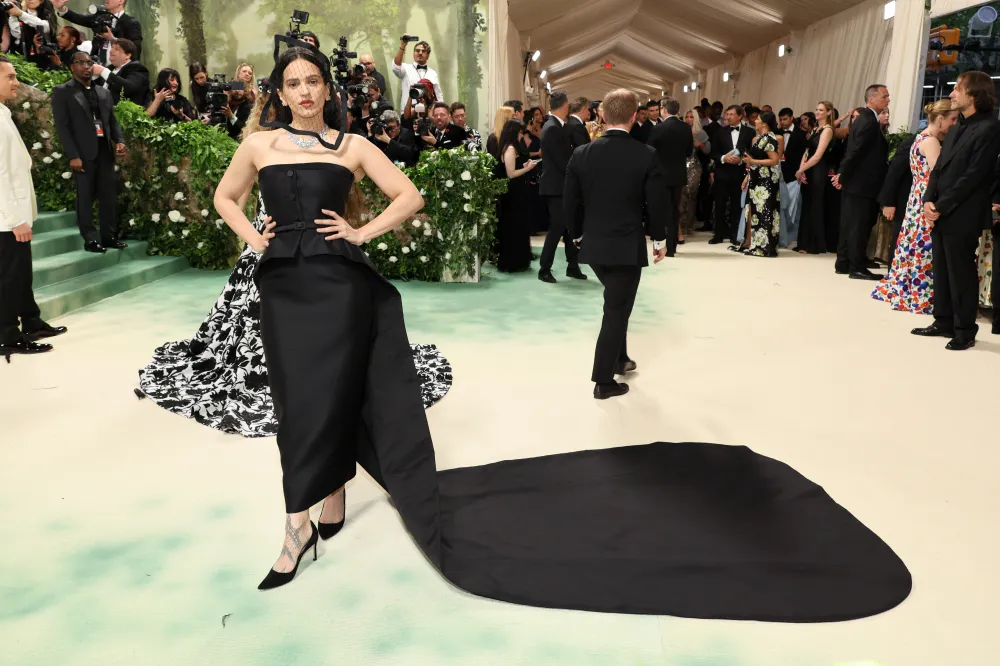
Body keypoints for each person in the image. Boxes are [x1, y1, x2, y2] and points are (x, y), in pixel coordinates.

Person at [140, 88, 451, 437]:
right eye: (290, 89)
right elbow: (230, 199)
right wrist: (254, 238)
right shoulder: (260, 147)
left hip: (324, 254)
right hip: (271, 252)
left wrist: (360, 232)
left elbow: (394, 194)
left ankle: (327, 395)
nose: (302, 96)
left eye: (312, 84)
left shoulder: (345, 146)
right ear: (279, 102)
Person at [564, 88, 668, 399]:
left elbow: (570, 203)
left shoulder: (581, 153)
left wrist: (578, 235)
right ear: (635, 117)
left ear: (602, 115)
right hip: (625, 246)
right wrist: (660, 238)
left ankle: (620, 358)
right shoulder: (646, 155)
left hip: (593, 246)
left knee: (616, 302)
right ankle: (603, 380)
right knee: (616, 309)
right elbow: (656, 202)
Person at [913, 71, 1000, 350]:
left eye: (957, 89)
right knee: (941, 267)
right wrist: (928, 199)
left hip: (963, 212)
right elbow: (938, 169)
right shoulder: (959, 126)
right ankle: (944, 320)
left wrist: (941, 204)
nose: (952, 94)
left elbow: (975, 176)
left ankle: (965, 329)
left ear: (973, 94)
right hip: (941, 209)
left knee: (960, 270)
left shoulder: (989, 128)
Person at [0, 53, 67, 359]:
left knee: (21, 274)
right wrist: (15, 219)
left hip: (15, 215)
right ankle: (6, 335)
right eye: (10, 77)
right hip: (6, 219)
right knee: (10, 277)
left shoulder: (3, 112)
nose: (16, 82)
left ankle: (31, 321)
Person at [872, 99, 958, 314]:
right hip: (924, 198)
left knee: (914, 244)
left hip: (916, 197)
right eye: (952, 119)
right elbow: (939, 175)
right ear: (940, 119)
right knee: (923, 247)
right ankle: (921, 293)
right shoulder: (931, 142)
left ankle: (911, 288)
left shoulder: (920, 137)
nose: (954, 124)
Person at [50, 51, 127, 254]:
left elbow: (111, 121)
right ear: (72, 67)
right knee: (84, 197)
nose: (86, 66)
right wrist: (73, 155)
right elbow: (63, 127)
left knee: (108, 196)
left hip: (104, 151)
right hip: (82, 154)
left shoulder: (103, 92)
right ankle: (90, 239)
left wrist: (119, 140)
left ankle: (109, 236)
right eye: (81, 63)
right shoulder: (62, 92)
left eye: (89, 62)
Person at [832, 84, 890, 280]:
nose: (888, 100)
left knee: (850, 223)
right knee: (858, 225)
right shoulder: (868, 120)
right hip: (861, 183)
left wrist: (843, 175)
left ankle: (844, 262)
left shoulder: (865, 118)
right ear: (871, 99)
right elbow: (855, 152)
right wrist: (842, 175)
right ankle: (856, 266)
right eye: (884, 96)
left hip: (857, 182)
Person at [538, 89, 586, 283]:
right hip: (556, 187)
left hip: (558, 185)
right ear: (565, 106)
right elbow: (563, 160)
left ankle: (572, 265)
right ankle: (544, 269)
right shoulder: (551, 128)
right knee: (557, 228)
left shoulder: (554, 126)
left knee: (568, 228)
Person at [646, 97, 692, 256]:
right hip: (678, 174)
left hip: (661, 175)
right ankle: (672, 247)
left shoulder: (658, 128)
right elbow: (689, 152)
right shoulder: (685, 127)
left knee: (662, 210)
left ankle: (662, 245)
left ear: (664, 110)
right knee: (674, 210)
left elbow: (650, 150)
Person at [734, 111, 781, 257]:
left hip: (766, 181)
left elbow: (774, 160)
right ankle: (754, 243)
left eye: (758, 119)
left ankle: (764, 247)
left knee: (764, 211)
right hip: (757, 179)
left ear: (765, 123)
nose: (755, 121)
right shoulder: (760, 138)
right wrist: (747, 176)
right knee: (755, 211)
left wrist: (752, 161)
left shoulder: (770, 138)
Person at [495, 119, 538, 272]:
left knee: (515, 226)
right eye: (520, 132)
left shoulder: (509, 147)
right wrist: (528, 169)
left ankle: (517, 260)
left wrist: (524, 166)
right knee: (515, 227)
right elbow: (511, 173)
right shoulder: (511, 148)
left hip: (514, 193)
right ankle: (514, 261)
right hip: (513, 194)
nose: (521, 135)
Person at [709, 104, 754, 245]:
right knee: (720, 205)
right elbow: (713, 152)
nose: (727, 117)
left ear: (740, 116)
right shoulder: (720, 132)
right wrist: (724, 158)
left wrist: (742, 160)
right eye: (726, 114)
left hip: (740, 174)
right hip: (722, 173)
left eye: (731, 114)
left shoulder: (749, 132)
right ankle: (718, 234)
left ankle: (735, 235)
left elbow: (753, 151)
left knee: (737, 205)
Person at [794, 103, 835, 254]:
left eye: (821, 110)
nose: (817, 112)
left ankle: (814, 244)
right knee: (806, 205)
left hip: (818, 170)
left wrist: (801, 170)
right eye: (817, 109)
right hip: (808, 169)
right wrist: (801, 169)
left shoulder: (828, 130)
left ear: (829, 112)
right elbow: (807, 151)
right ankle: (803, 243)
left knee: (814, 205)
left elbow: (818, 155)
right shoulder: (815, 129)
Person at [52, 0, 142, 65]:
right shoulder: (100, 18)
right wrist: (61, 8)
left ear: (121, 1)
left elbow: (136, 49)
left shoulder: (131, 23)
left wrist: (114, 40)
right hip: (96, 68)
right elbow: (79, 18)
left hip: (119, 72)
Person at [91, 38, 150, 107]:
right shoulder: (109, 68)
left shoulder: (137, 68)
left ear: (127, 55)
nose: (111, 51)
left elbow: (129, 87)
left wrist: (103, 71)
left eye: (116, 49)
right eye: (112, 47)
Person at [778, 107, 806, 248]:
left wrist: (800, 171)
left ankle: (790, 235)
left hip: (794, 175)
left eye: (785, 119)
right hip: (779, 174)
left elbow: (804, 155)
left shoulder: (801, 134)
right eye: (780, 119)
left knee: (792, 207)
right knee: (780, 205)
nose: (782, 122)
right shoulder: (777, 133)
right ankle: (779, 234)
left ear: (791, 118)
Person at [392, 36, 441, 110]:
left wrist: (439, 111)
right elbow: (396, 67)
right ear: (413, 54)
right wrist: (403, 46)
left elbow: (438, 95)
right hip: (408, 113)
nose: (420, 53)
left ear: (428, 55)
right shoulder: (405, 68)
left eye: (423, 51)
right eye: (417, 51)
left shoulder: (433, 73)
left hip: (427, 112)